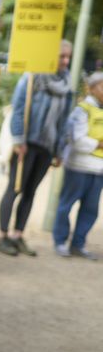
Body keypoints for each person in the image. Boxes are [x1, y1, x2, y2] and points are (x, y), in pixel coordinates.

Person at [0, 40, 73, 257]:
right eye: (61, 56)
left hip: (46, 147)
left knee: (30, 192)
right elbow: (19, 108)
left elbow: (64, 120)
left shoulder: (66, 85)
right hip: (26, 144)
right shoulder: (32, 78)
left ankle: (17, 235)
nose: (65, 61)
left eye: (68, 57)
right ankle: (2, 236)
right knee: (14, 188)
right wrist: (19, 139)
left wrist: (59, 150)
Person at [52, 71, 103, 259]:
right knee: (66, 205)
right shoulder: (82, 110)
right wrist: (98, 144)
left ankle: (78, 244)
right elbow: (77, 139)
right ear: (91, 88)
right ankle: (60, 241)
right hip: (78, 167)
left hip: (99, 169)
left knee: (90, 210)